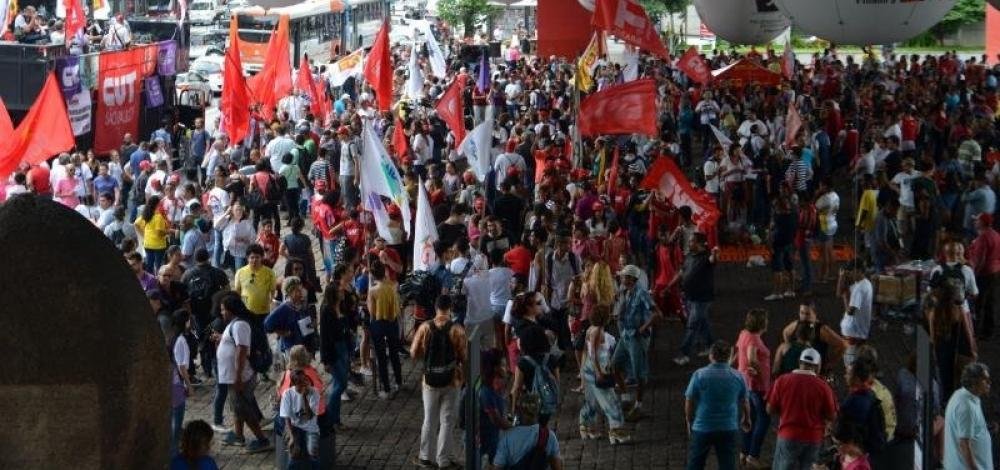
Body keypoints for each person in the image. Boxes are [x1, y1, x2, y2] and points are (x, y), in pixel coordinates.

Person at [410, 295, 468, 469]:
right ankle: (443, 460)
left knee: (429, 419)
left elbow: (413, 353)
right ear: (450, 308)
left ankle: (425, 457)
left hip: (429, 380)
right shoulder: (457, 329)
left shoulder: (424, 327)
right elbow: (464, 356)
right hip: (452, 380)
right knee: (447, 420)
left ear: (436, 308)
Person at [216, 295, 272, 452]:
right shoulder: (234, 324)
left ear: (231, 310)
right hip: (232, 376)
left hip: (239, 377)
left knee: (244, 409)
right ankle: (238, 435)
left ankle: (262, 440)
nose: (221, 312)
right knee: (237, 407)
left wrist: (238, 376)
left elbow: (241, 351)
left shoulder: (240, 325)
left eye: (223, 309)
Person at [684, 340, 751, 470]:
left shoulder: (699, 375)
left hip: (703, 427)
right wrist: (746, 418)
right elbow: (745, 401)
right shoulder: (738, 376)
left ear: (711, 356)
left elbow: (689, 399)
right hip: (728, 427)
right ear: (729, 357)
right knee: (728, 465)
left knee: (695, 464)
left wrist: (689, 419)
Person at [767, 347, 838, 470]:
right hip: (813, 438)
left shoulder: (782, 380)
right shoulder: (824, 387)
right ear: (817, 367)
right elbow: (832, 415)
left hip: (788, 434)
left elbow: (769, 409)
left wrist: (785, 411)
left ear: (800, 363)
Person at [612, 264, 661, 420]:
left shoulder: (642, 294)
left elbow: (657, 314)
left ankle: (638, 405)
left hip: (637, 338)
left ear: (631, 279)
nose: (621, 278)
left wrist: (643, 328)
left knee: (640, 374)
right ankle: (626, 397)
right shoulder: (625, 292)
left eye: (624, 276)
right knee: (614, 366)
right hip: (626, 335)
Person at [578, 305, 630, 445]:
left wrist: (583, 372)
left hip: (589, 369)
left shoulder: (590, 329)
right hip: (598, 370)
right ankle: (616, 431)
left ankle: (586, 426)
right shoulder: (596, 332)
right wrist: (599, 372)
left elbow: (586, 352)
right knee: (611, 401)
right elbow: (594, 354)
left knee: (592, 402)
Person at [181, 248, 229, 381]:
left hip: (197, 314)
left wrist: (189, 315)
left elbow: (184, 297)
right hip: (215, 313)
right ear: (208, 257)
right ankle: (217, 367)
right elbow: (227, 291)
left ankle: (207, 368)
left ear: (195, 259)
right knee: (215, 339)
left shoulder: (187, 275)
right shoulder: (218, 272)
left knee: (202, 340)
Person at [672, 232, 719, 365]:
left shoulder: (706, 257)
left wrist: (715, 254)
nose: (689, 243)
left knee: (692, 325)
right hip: (689, 297)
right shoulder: (689, 256)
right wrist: (669, 286)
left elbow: (713, 260)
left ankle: (684, 354)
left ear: (699, 243)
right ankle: (710, 346)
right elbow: (682, 272)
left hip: (702, 298)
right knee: (703, 322)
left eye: (692, 241)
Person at [732, 309, 771, 469]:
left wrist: (731, 365)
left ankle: (744, 452)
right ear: (762, 323)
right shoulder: (754, 339)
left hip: (745, 383)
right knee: (764, 419)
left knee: (750, 419)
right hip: (756, 386)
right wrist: (762, 377)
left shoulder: (744, 334)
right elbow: (752, 359)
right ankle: (753, 456)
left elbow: (737, 352)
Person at [492, 391, 563, 470]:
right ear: (539, 412)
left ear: (519, 412)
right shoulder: (549, 436)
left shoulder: (507, 438)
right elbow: (557, 467)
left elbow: (497, 467)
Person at [943, 362, 993, 470]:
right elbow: (964, 444)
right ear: (974, 382)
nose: (989, 382)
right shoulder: (966, 405)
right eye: (985, 379)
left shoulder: (965, 396)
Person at [367, 261, 403, 399]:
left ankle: (386, 389)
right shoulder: (392, 286)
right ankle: (399, 382)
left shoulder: (373, 291)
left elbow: (372, 312)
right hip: (392, 322)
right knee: (394, 354)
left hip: (378, 324)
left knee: (381, 357)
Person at [279, 369, 321, 466]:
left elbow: (310, 416)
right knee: (294, 453)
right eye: (300, 382)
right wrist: (292, 437)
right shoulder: (287, 394)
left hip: (310, 427)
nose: (304, 384)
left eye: (305, 380)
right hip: (294, 426)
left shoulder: (314, 392)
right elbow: (287, 418)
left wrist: (304, 398)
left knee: (313, 451)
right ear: (294, 383)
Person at [968, 213, 1000, 340]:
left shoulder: (983, 238)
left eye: (977, 220)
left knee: (978, 302)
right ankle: (989, 330)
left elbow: (980, 260)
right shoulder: (996, 234)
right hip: (996, 271)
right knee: (991, 301)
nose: (975, 222)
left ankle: (975, 330)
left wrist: (974, 274)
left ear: (982, 223)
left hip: (984, 273)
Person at [837, 260, 872, 366]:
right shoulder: (865, 283)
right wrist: (841, 278)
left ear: (858, 271)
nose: (850, 274)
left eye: (851, 272)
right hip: (859, 330)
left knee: (850, 362)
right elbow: (838, 292)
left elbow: (850, 311)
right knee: (858, 358)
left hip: (853, 332)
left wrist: (845, 296)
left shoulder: (859, 289)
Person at [135, 195, 171, 273]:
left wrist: (144, 235)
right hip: (158, 245)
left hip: (147, 243)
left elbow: (136, 224)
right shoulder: (158, 217)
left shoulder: (145, 215)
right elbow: (159, 233)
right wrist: (170, 231)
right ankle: (159, 281)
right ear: (157, 204)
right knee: (159, 266)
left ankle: (150, 282)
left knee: (149, 265)